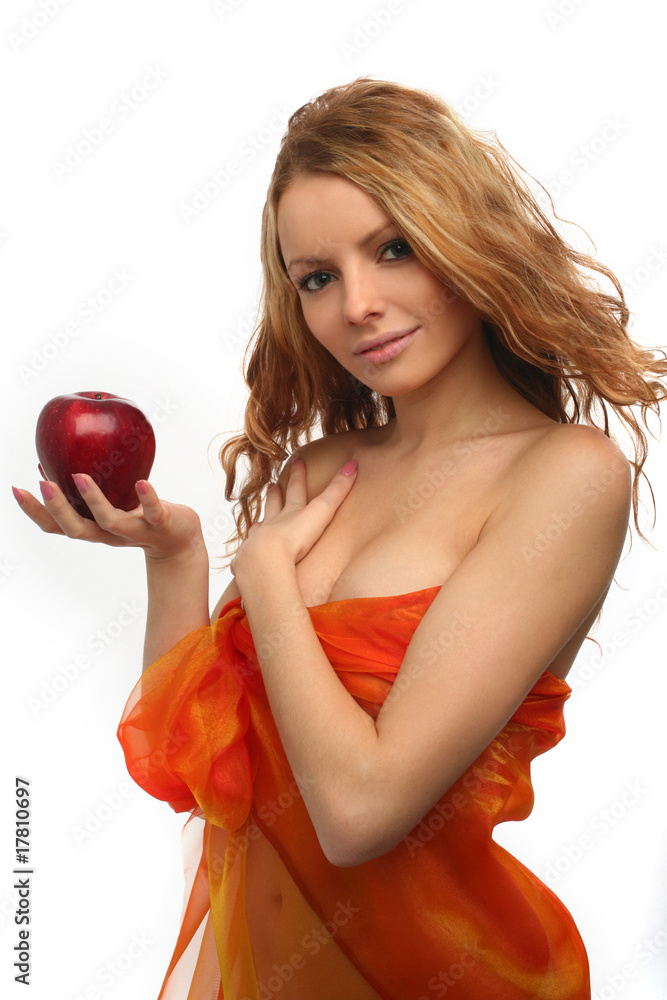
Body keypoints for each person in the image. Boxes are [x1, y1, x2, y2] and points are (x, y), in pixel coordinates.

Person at [13, 77, 667, 999]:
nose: (356, 304)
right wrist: (178, 560)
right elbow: (206, 770)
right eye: (317, 277)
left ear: (465, 239)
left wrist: (270, 580)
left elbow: (361, 810)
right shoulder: (320, 476)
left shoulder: (564, 476)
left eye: (392, 249)